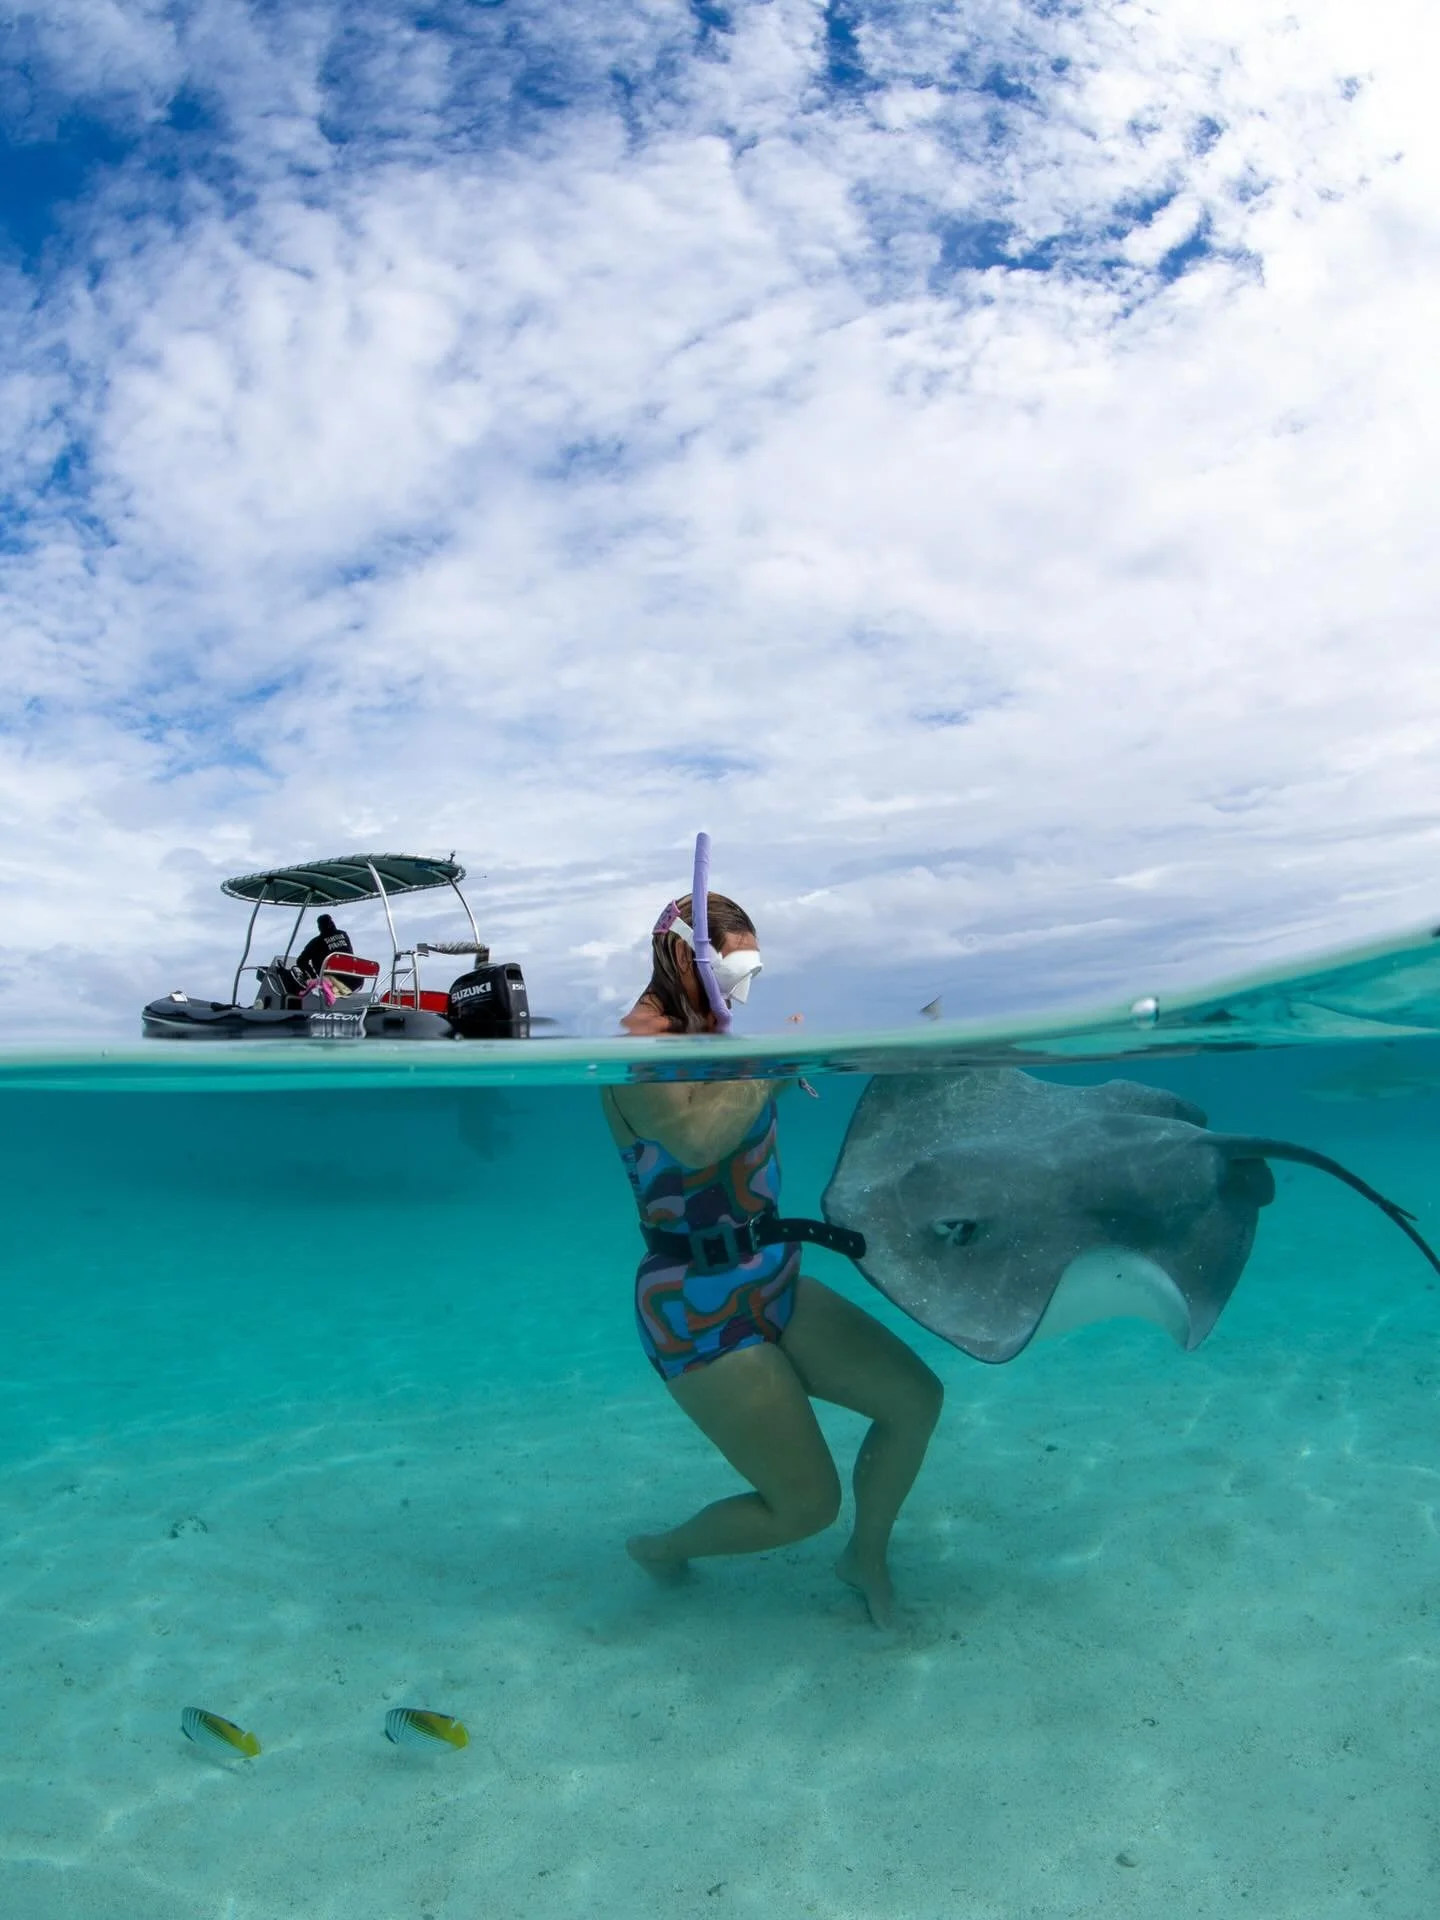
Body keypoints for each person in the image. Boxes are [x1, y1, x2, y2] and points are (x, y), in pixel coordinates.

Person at [601, 888, 944, 1627]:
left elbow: (738, 1114)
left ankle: (866, 1556)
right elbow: (696, 1141)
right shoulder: (639, 1042)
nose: (745, 991)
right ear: (686, 955)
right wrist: (770, 1065)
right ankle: (662, 1549)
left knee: (916, 1400)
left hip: (771, 1274)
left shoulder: (719, 1036)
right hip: (692, 1307)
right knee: (804, 1507)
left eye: (754, 972)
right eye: (736, 970)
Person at [294, 912, 353, 984]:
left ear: (319, 927)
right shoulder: (343, 934)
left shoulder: (316, 942)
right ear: (332, 923)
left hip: (330, 982)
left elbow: (300, 961)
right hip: (353, 979)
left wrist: (313, 977)